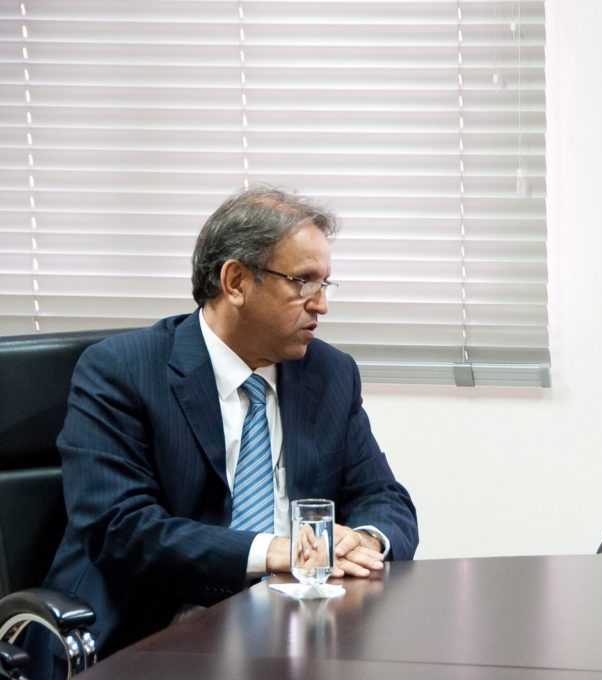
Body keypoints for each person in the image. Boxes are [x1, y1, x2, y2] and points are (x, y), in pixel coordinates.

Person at [40, 186, 419, 662]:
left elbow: (385, 497)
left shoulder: (329, 373)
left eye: (325, 284)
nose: (321, 304)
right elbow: (119, 528)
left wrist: (362, 539)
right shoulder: (122, 371)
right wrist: (272, 551)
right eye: (303, 282)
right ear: (236, 282)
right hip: (152, 631)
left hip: (294, 634)